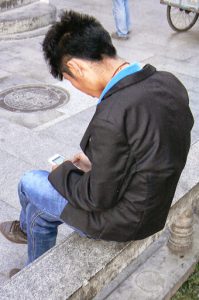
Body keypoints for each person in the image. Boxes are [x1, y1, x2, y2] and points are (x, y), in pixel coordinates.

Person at [0, 10, 194, 277]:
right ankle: (30, 250)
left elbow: (95, 198)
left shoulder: (113, 114)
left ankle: (27, 244)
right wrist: (98, 164)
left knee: (30, 181)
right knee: (38, 208)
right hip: (153, 201)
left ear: (77, 67)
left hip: (124, 220)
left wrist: (63, 173)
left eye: (70, 80)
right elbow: (150, 146)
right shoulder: (169, 82)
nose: (77, 88)